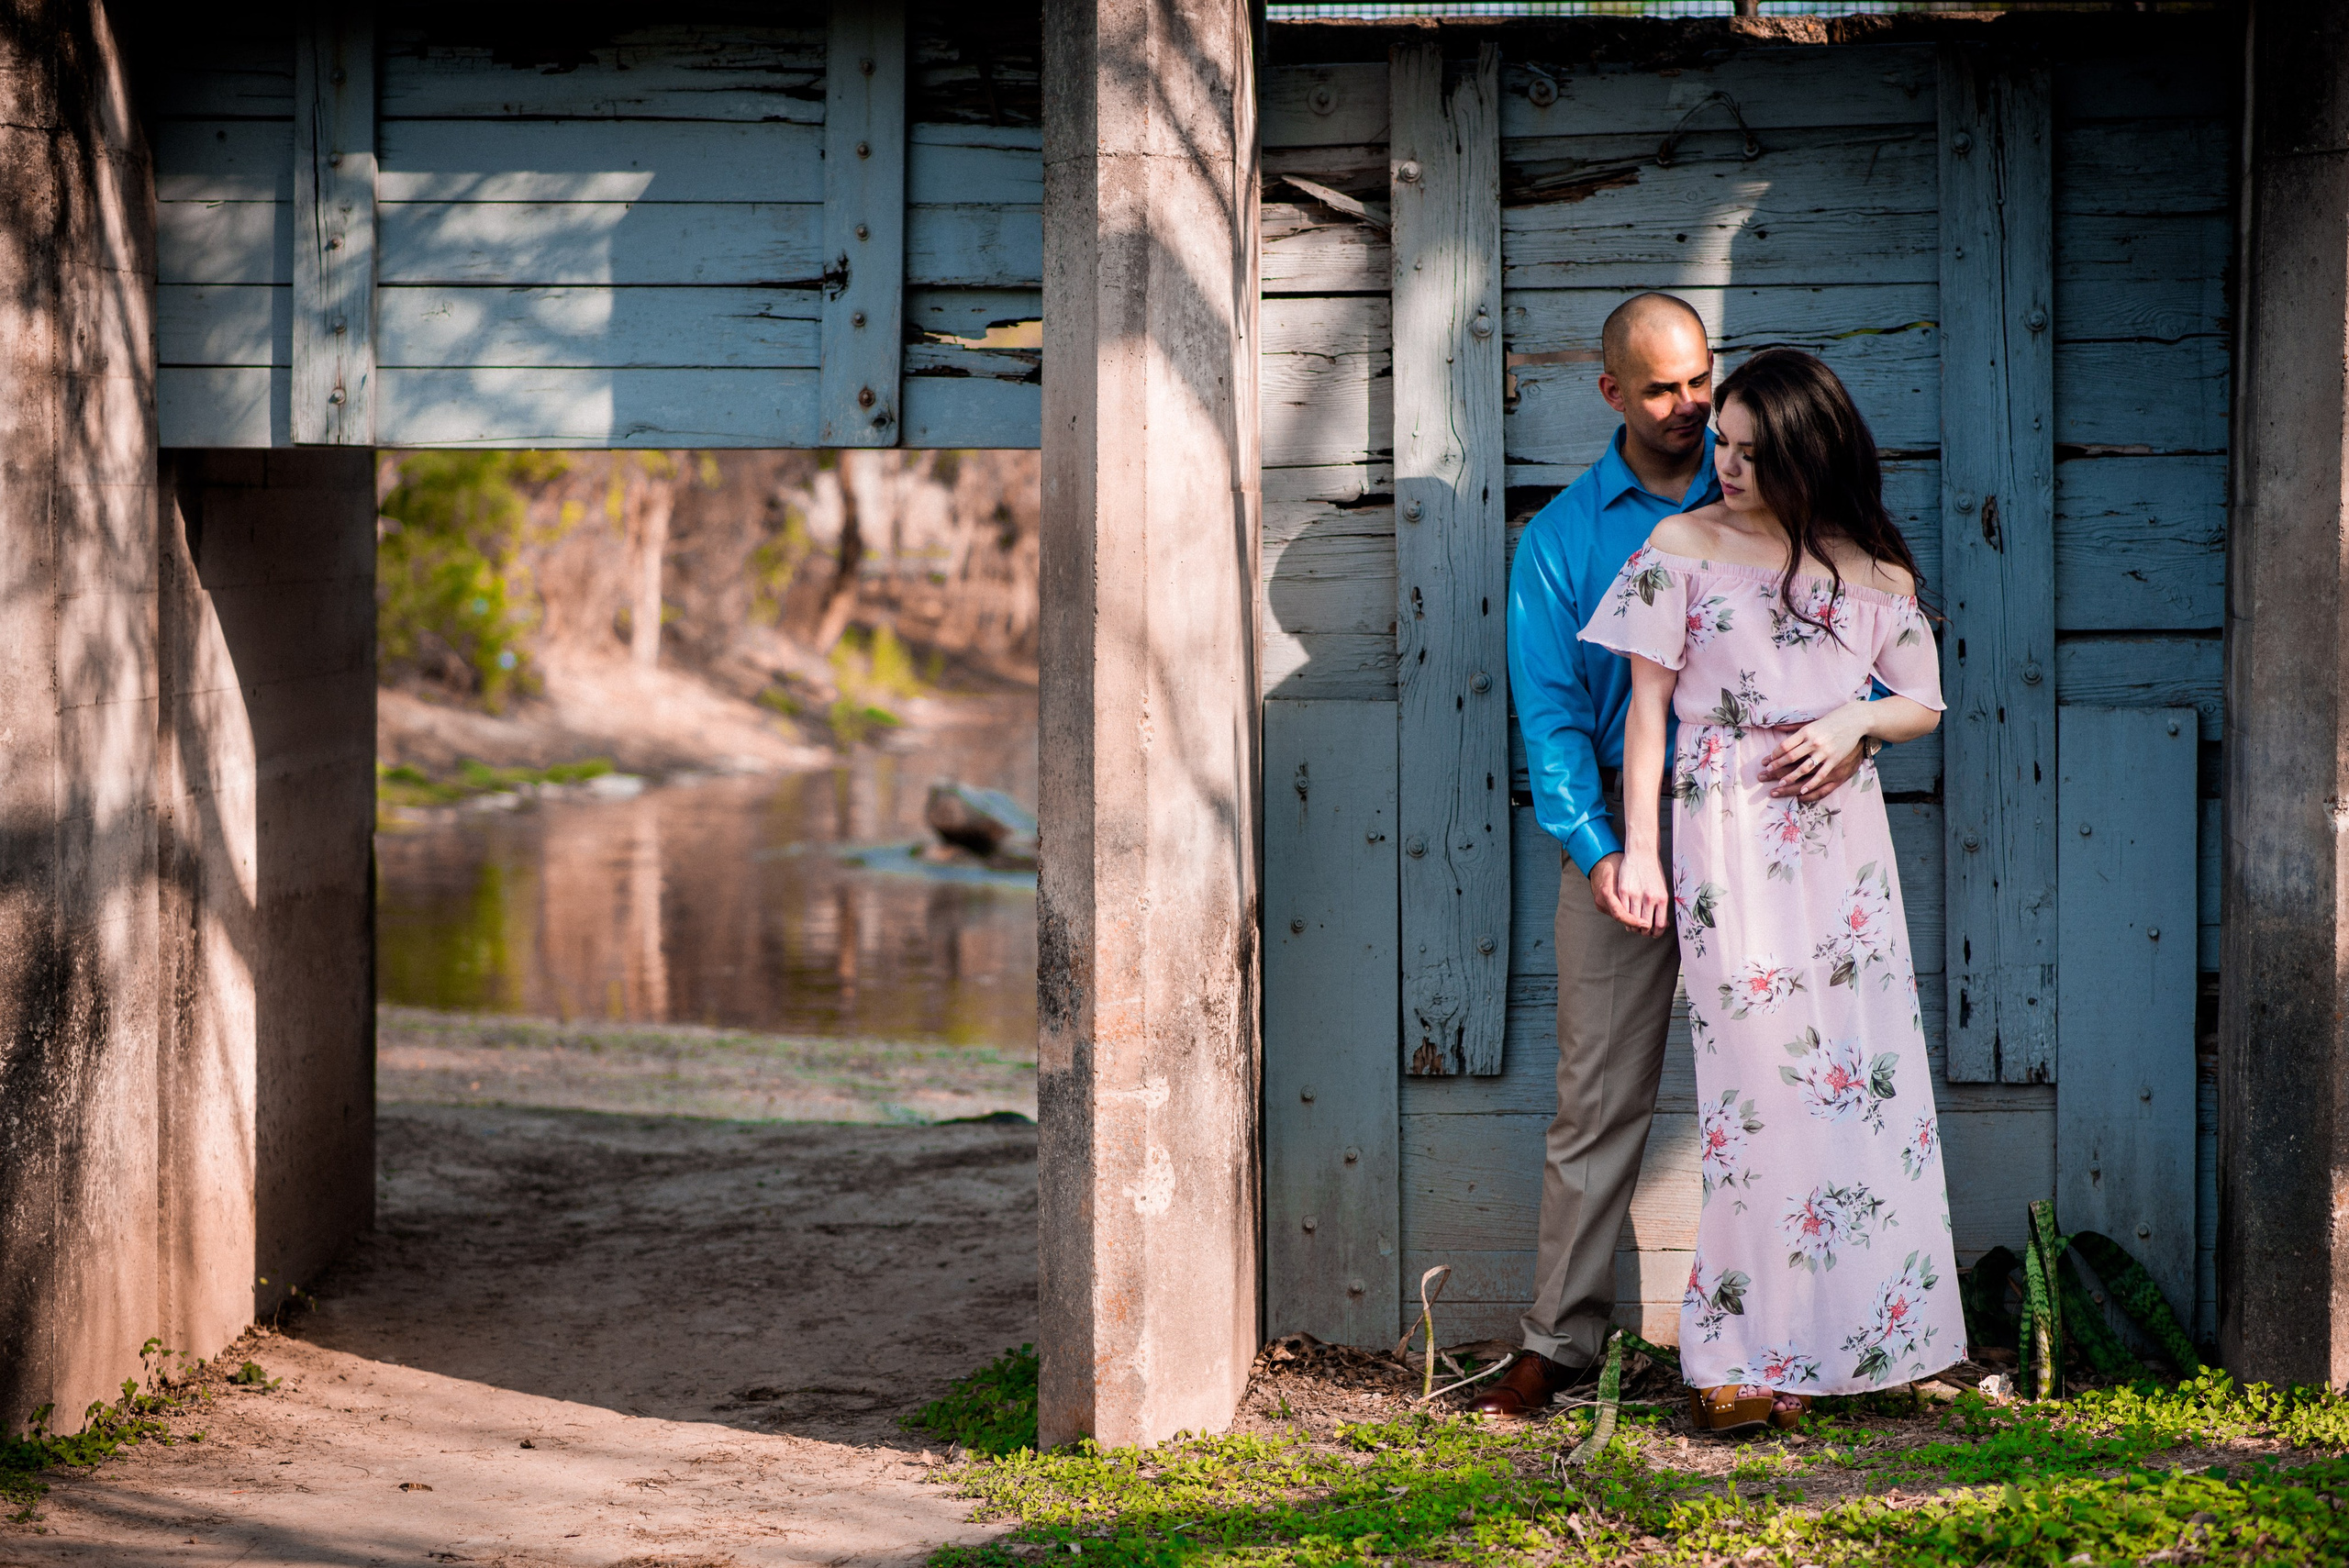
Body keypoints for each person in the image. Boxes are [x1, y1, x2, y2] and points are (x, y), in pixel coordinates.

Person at [1475, 297, 1871, 1422]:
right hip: (1626, 833)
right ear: (1609, 393)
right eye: (1659, 388)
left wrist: (1853, 724)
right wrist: (1600, 849)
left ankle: (1784, 1343)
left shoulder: (1770, 496)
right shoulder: (1560, 539)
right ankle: (1555, 1342)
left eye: (1699, 379)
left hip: (1771, 831)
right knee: (1596, 1098)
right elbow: (1548, 717)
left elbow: (1870, 642)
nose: (1689, 406)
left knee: (1785, 1088)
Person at [1579, 347, 1962, 1433]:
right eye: (1724, 443)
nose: (1726, 463)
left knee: (1858, 1086)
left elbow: (1922, 704)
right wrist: (1641, 849)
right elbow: (1647, 711)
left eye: (1752, 450)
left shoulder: (1874, 571)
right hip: (1727, 835)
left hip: (1842, 855)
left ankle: (1863, 1341)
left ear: (1808, 453)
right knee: (1757, 1096)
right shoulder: (1681, 547)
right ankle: (1739, 1354)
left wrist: (1853, 719)